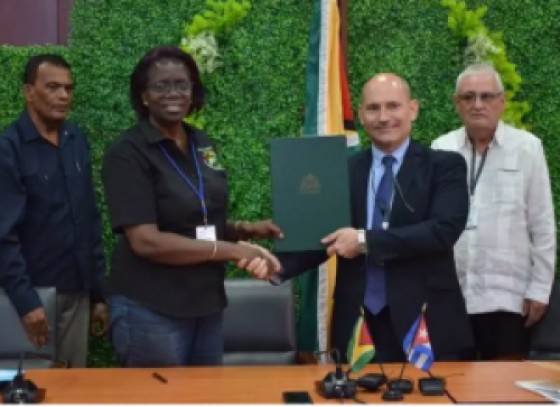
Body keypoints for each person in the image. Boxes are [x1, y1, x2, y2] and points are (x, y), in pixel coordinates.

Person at [245, 73, 474, 363]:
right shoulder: (342, 170)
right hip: (358, 325)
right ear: (362, 115)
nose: (383, 117)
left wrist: (365, 240)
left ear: (412, 109)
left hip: (426, 323)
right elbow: (323, 235)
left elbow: (442, 231)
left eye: (393, 106)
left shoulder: (444, 166)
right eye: (373, 108)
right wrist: (275, 266)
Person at [102, 46, 281, 367]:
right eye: (161, 85)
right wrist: (235, 251)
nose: (173, 93)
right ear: (144, 96)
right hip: (151, 308)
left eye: (182, 85)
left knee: (206, 399)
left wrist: (245, 230)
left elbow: (196, 218)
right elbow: (146, 241)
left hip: (205, 304)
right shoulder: (127, 153)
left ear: (193, 92)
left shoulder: (202, 143)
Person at [431, 63, 556, 360]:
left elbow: (543, 223)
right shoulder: (441, 148)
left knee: (503, 389)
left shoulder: (528, 149)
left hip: (507, 296)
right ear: (456, 103)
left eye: (487, 97)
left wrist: (539, 289)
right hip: (453, 296)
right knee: (453, 382)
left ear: (502, 102)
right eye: (469, 97)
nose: (478, 105)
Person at [0, 54, 108, 367]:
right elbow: (3, 233)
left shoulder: (75, 139)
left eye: (68, 88)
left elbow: (89, 218)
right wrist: (25, 302)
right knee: (30, 388)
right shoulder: (9, 147)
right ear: (28, 92)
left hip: (77, 292)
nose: (63, 96)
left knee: (73, 388)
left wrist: (98, 295)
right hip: (32, 296)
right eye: (53, 87)